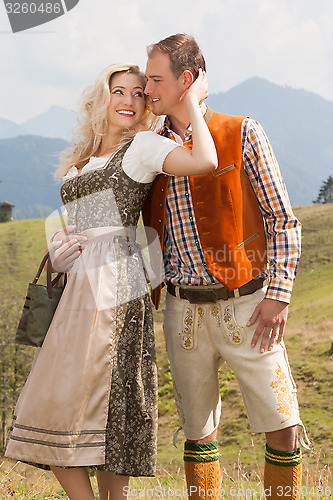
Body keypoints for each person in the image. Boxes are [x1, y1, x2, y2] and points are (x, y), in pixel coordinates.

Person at [5, 63, 217, 500]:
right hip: (72, 286)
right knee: (55, 400)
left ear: (146, 103)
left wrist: (192, 101)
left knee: (108, 404)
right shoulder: (80, 161)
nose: (127, 100)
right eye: (118, 91)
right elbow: (76, 223)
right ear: (101, 98)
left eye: (139, 93)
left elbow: (204, 160)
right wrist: (60, 250)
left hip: (113, 284)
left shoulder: (141, 147)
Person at [143, 34, 310, 500]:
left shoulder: (242, 131)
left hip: (249, 305)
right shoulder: (148, 149)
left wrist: (278, 296)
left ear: (186, 81)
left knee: (282, 424)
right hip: (182, 311)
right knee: (198, 432)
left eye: (156, 79)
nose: (147, 88)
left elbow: (284, 221)